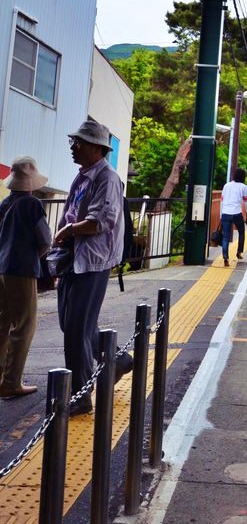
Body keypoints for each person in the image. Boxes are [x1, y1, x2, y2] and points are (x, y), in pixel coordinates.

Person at [55, 120, 132, 416]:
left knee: (76, 329)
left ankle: (81, 395)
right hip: (73, 259)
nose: (73, 148)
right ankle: (118, 360)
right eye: (73, 142)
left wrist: (68, 231)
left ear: (97, 149)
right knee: (71, 324)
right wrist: (63, 234)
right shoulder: (82, 176)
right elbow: (71, 212)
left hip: (93, 261)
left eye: (79, 143)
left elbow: (103, 220)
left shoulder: (107, 178)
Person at [0, 158, 51, 399]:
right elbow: (45, 240)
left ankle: (1, 378)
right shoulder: (32, 204)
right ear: (30, 183)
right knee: (24, 325)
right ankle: (11, 382)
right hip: (21, 269)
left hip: (2, 267)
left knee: (3, 323)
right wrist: (35, 256)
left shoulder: (5, 203)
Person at [220, 167, 247, 267]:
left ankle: (225, 257)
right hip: (237, 213)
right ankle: (239, 252)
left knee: (225, 236)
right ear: (243, 177)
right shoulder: (244, 187)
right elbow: (246, 202)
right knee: (241, 232)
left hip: (226, 213)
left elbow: (222, 200)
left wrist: (221, 214)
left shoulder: (226, 186)